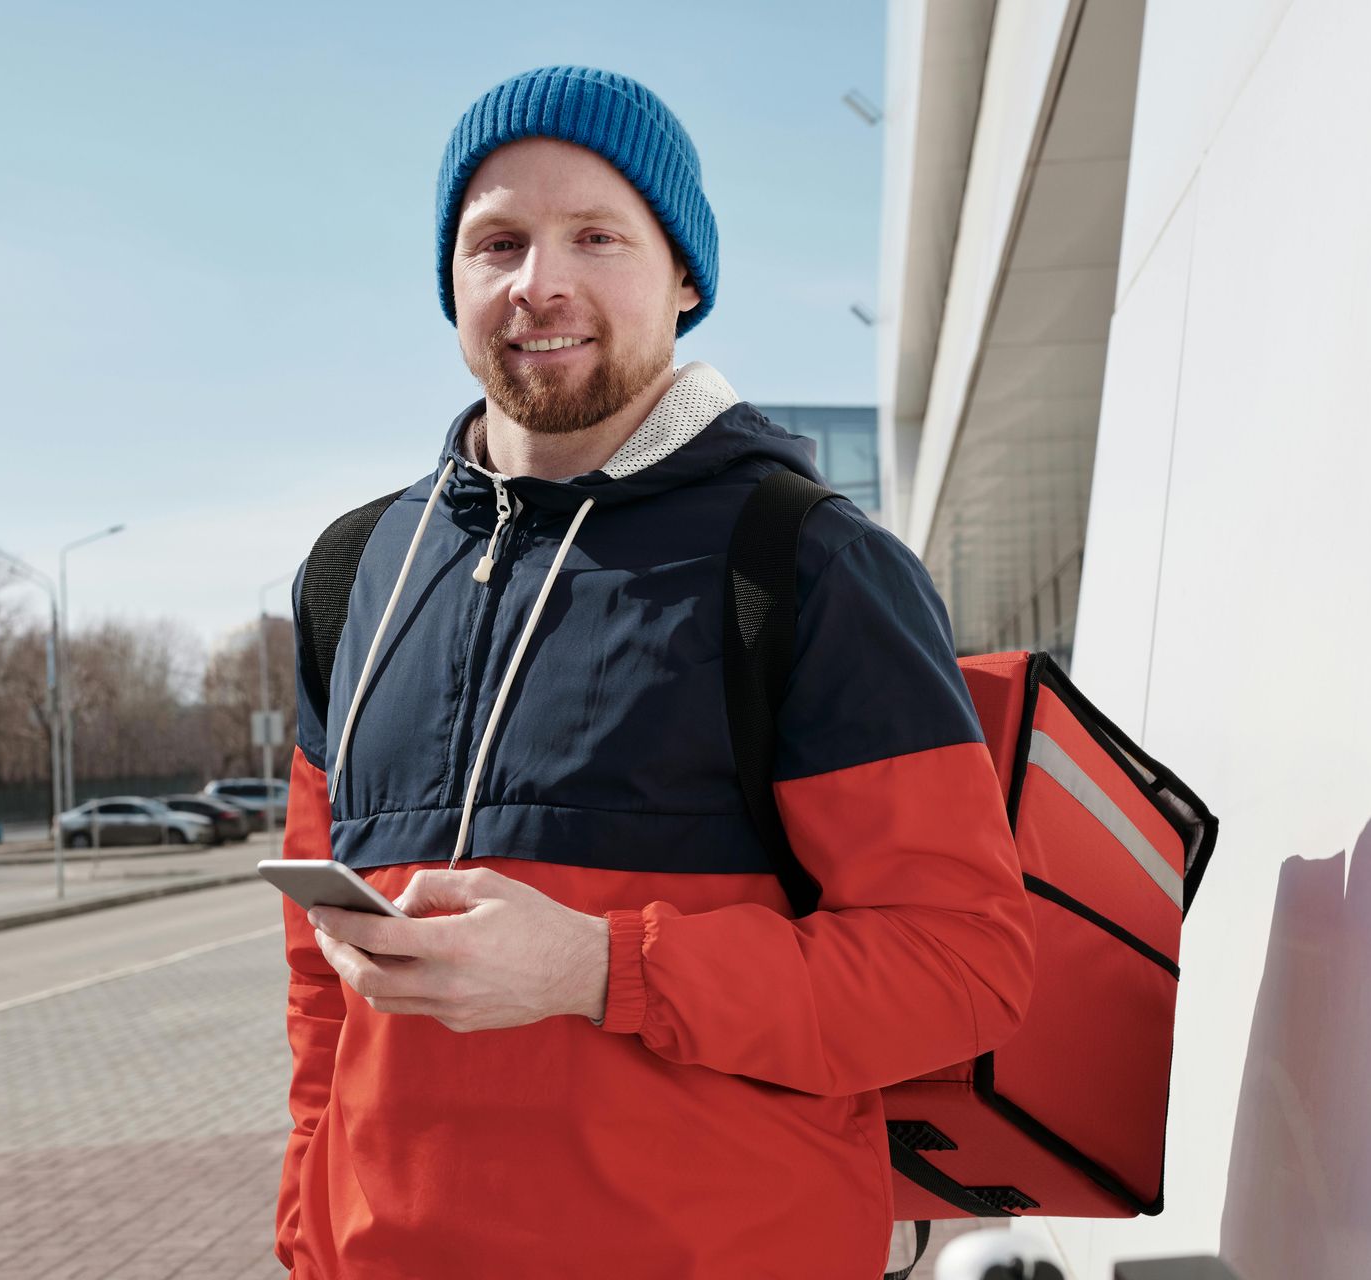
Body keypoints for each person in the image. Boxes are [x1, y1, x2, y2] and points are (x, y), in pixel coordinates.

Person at [275, 66, 1036, 1279]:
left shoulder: (808, 563)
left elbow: (963, 968)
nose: (542, 282)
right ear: (452, 280)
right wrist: (312, 1229)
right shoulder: (351, 571)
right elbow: (320, 977)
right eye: (499, 241)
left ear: (683, 276)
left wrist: (599, 967)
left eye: (596, 236)